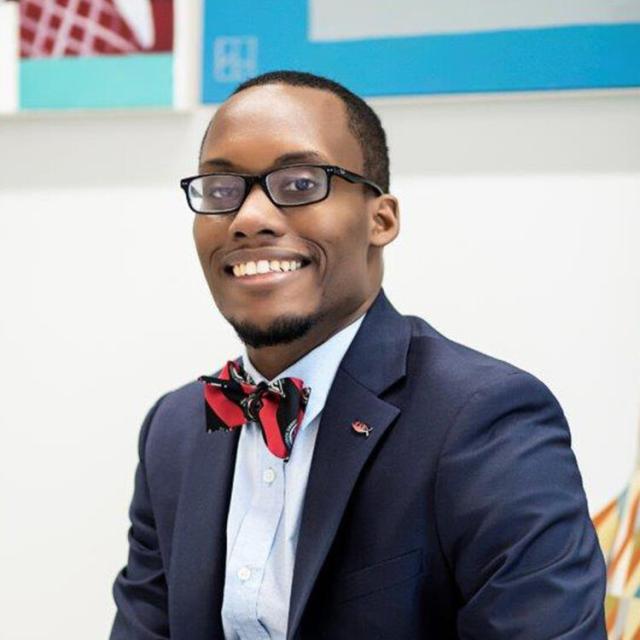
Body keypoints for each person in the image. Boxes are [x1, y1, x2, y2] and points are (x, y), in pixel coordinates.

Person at [110, 70, 607, 639]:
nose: (248, 219)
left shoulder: (483, 419)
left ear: (381, 219)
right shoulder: (175, 430)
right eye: (221, 191)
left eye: (299, 183)